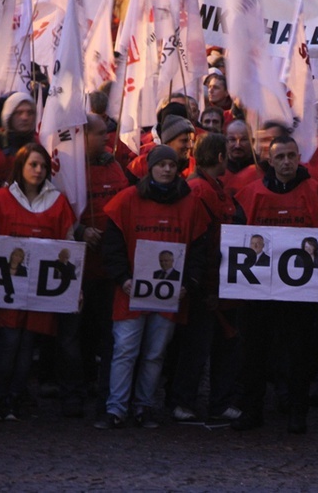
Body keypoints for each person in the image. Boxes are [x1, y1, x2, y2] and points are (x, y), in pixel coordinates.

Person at [98, 145, 209, 429]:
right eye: (162, 165)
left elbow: (200, 250)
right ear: (151, 167)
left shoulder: (191, 203)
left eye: (172, 165)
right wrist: (122, 278)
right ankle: (116, 408)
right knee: (125, 349)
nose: (167, 169)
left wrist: (190, 283)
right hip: (130, 292)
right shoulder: (127, 200)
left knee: (155, 353)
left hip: (169, 295)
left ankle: (143, 407)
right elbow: (112, 246)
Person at [231, 136, 318, 434]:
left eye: (291, 156)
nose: (286, 162)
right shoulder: (250, 194)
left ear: (299, 157)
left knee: (299, 354)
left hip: (301, 292)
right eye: (280, 157)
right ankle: (251, 411)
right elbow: (237, 238)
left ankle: (296, 412)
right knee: (253, 352)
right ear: (270, 161)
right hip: (257, 290)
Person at [0, 143, 76, 421]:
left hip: (40, 291)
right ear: (21, 166)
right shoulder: (0, 200)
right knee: (8, 341)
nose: (39, 170)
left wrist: (75, 290)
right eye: (33, 165)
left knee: (28, 345)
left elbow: (69, 248)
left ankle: (14, 400)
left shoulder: (59, 203)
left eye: (42, 166)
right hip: (7, 289)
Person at [171, 133, 242, 422]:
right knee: (196, 348)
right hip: (207, 285)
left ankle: (211, 402)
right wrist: (206, 286)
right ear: (221, 157)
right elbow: (203, 240)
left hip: (217, 283)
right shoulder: (200, 190)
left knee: (219, 347)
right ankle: (184, 401)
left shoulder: (210, 188)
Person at [75, 114, 129, 427]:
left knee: (108, 337)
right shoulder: (68, 168)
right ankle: (75, 391)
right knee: (76, 336)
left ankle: (104, 396)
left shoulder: (112, 165)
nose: (106, 140)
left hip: (108, 269)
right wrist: (80, 230)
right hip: (79, 269)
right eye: (98, 135)